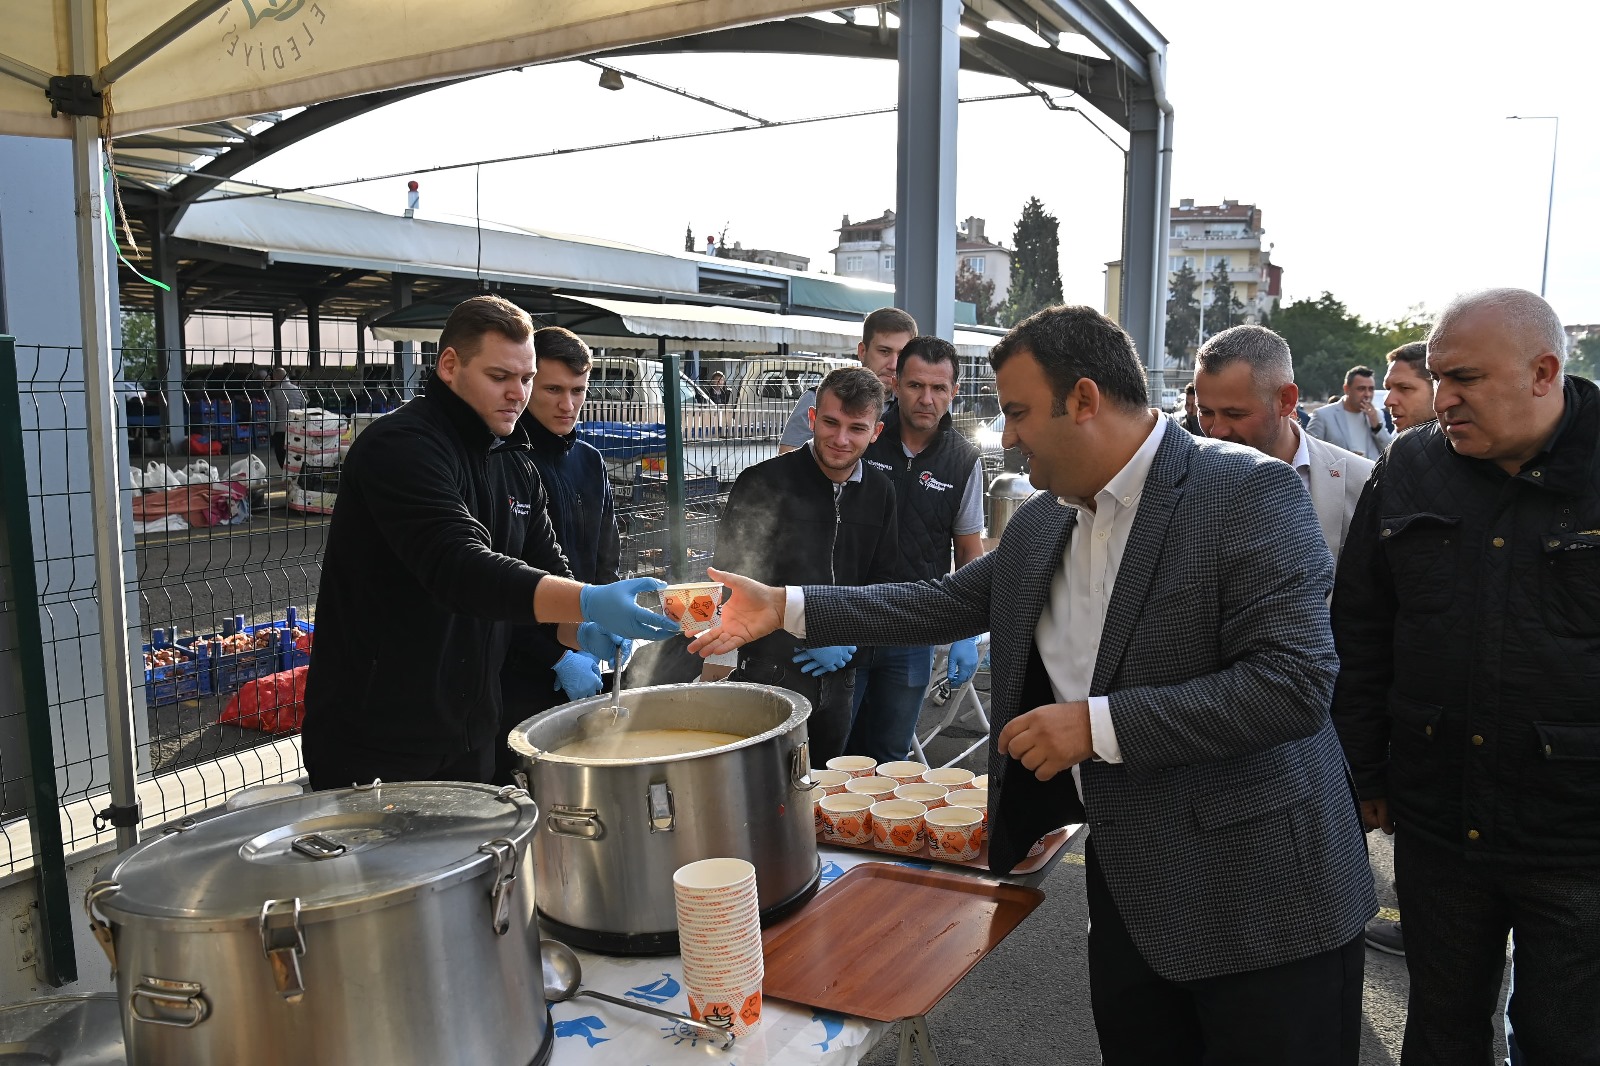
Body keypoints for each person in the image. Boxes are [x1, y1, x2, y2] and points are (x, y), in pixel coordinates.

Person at [694, 305, 1374, 1065]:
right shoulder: (1050, 519)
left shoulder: (1245, 492)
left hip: (1264, 910)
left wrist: (1095, 726)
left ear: (1083, 400)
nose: (1008, 435)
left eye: (1017, 412)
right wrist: (786, 608)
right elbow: (944, 599)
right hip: (1134, 900)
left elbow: (1292, 683)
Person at [1330, 287, 1600, 1066]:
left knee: (1566, 1040)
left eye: (1466, 380)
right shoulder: (1410, 470)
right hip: (1439, 819)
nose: (1441, 400)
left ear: (1544, 371)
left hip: (1577, 834)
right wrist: (1365, 766)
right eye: (1438, 377)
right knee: (1442, 1032)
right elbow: (1362, 628)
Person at [301, 296, 678, 790]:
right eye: (500, 377)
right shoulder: (402, 447)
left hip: (471, 726)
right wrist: (587, 601)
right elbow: (460, 567)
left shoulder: (514, 461)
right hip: (379, 734)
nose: (516, 394)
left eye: (524, 379)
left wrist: (582, 627)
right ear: (450, 365)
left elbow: (548, 565)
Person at [707, 367, 903, 761]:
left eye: (857, 428)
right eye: (830, 422)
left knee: (824, 786)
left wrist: (849, 636)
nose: (841, 439)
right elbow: (732, 577)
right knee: (766, 792)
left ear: (876, 433)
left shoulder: (881, 491)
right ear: (812, 418)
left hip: (840, 673)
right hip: (770, 670)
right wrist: (801, 633)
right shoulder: (763, 482)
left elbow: (884, 579)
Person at [846, 336, 985, 763]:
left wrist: (967, 631)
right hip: (849, 618)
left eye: (939, 388)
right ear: (895, 384)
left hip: (912, 629)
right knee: (834, 752)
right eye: (915, 385)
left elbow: (968, 550)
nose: (927, 398)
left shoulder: (964, 460)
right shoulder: (862, 440)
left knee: (890, 756)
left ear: (954, 392)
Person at [494, 326, 621, 785]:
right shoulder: (503, 461)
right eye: (552, 389)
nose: (567, 404)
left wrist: (606, 619)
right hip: (515, 664)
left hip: (581, 645)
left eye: (578, 390)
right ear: (527, 385)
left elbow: (606, 556)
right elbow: (495, 581)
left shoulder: (588, 459)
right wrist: (554, 654)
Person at [1193, 325, 1373, 561]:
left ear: (1286, 400)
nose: (1217, 431)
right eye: (1205, 412)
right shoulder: (1179, 479)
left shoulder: (1363, 481)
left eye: (1235, 414)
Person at [778, 307, 916, 453]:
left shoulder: (908, 408)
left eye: (902, 354)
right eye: (884, 351)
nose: (893, 365)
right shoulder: (817, 399)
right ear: (862, 351)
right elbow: (787, 466)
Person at [1306, 365, 1395, 459]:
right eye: (1361, 389)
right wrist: (1346, 458)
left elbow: (1389, 451)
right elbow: (1310, 452)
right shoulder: (1322, 415)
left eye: (1371, 389)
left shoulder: (1377, 415)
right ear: (1346, 389)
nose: (1367, 394)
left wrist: (1376, 426)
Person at [1382, 340, 1436, 433]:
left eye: (1404, 388)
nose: (1388, 402)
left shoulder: (1463, 446)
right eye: (1388, 389)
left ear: (1437, 389)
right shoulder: (1398, 442)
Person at [267, 366, 306, 471]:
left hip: (280, 430)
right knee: (296, 453)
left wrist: (272, 431)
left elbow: (273, 413)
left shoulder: (274, 391)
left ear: (275, 378)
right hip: (296, 429)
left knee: (281, 454)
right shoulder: (298, 390)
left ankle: (286, 474)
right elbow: (303, 410)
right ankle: (296, 473)